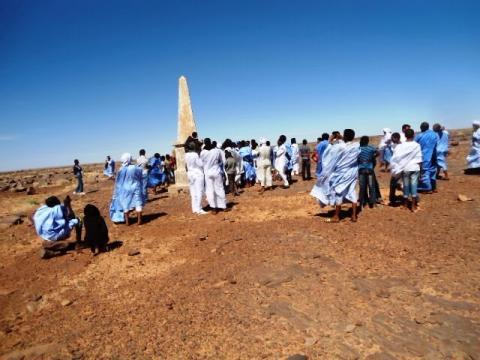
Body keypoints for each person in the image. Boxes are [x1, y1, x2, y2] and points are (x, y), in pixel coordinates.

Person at [312, 129, 359, 222]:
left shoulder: (339, 147)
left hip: (341, 174)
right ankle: (354, 216)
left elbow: (328, 152)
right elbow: (348, 141)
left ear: (344, 136)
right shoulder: (356, 146)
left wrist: (331, 139)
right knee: (352, 191)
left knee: (338, 192)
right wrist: (341, 137)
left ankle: (336, 216)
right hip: (352, 173)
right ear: (353, 137)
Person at [390, 128, 423, 212]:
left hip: (405, 168)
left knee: (406, 186)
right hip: (415, 168)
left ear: (404, 136)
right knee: (414, 186)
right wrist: (421, 172)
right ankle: (413, 206)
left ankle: (405, 205)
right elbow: (419, 159)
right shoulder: (417, 145)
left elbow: (396, 158)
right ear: (413, 135)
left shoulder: (400, 146)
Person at [109, 153, 143, 225]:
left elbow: (118, 181)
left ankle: (127, 222)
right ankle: (139, 220)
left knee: (125, 204)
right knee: (138, 202)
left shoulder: (121, 169)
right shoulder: (135, 167)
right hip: (136, 187)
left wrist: (116, 192)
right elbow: (140, 175)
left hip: (125, 189)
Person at [200, 138, 227, 213]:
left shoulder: (203, 153)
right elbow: (224, 161)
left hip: (207, 173)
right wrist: (218, 164)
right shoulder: (217, 151)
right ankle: (223, 206)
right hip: (216, 171)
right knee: (220, 188)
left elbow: (201, 164)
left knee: (210, 190)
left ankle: (213, 208)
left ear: (204, 143)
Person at [415, 122, 438, 193]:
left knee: (424, 171)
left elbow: (415, 145)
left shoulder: (419, 136)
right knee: (432, 171)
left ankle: (427, 188)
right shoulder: (434, 134)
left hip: (424, 155)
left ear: (421, 128)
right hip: (433, 155)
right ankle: (434, 187)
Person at [185, 142, 207, 215]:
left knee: (193, 192)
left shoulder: (186, 155)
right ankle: (199, 209)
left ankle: (194, 208)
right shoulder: (195, 155)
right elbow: (200, 164)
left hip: (190, 174)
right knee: (199, 191)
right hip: (197, 174)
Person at [358, 136, 378, 208]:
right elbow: (377, 152)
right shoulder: (371, 148)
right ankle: (373, 203)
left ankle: (362, 202)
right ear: (367, 141)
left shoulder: (358, 149)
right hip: (370, 169)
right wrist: (373, 157)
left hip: (361, 169)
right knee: (371, 186)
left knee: (362, 186)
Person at [388, 133, 402, 205]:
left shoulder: (401, 146)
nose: (391, 139)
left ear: (396, 138)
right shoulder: (395, 145)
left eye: (392, 138)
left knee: (393, 183)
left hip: (399, 167)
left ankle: (392, 199)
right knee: (396, 183)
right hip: (396, 167)